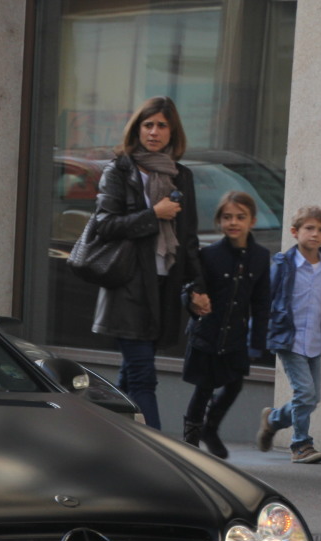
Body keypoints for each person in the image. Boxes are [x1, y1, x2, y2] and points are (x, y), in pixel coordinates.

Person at [89, 96, 206, 429]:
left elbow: (189, 238)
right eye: (148, 124)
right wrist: (153, 215)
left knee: (130, 376)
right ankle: (161, 452)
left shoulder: (181, 176)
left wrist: (197, 286)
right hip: (127, 285)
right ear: (137, 128)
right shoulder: (119, 170)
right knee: (143, 378)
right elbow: (104, 225)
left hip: (163, 287)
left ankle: (104, 434)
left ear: (173, 132)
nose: (154, 132)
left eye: (162, 125)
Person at [256, 206, 321, 463]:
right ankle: (301, 445)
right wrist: (254, 336)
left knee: (313, 398)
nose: (315, 234)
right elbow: (263, 300)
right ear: (295, 232)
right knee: (305, 394)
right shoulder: (283, 264)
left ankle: (273, 420)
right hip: (288, 339)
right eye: (309, 228)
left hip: (314, 340)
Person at [179, 190, 270, 458]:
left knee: (234, 385)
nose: (233, 222)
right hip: (208, 333)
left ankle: (210, 428)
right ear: (219, 221)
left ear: (252, 221)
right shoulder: (209, 255)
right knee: (204, 388)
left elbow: (262, 303)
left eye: (240, 217)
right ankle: (191, 443)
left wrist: (257, 343)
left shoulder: (260, 257)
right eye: (227, 217)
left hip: (236, 337)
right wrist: (193, 301)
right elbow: (189, 290)